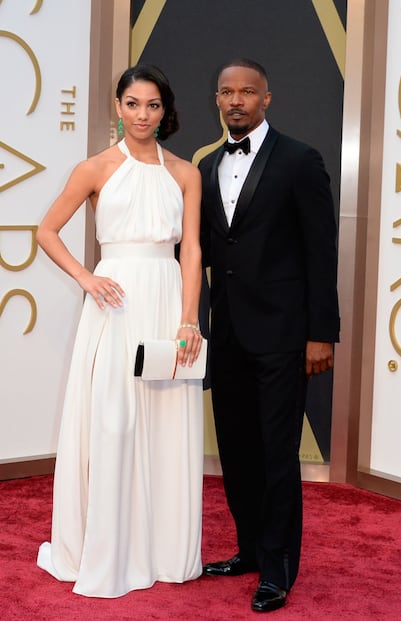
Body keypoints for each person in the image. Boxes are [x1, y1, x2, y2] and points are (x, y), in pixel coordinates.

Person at [36, 64, 204, 598]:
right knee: (114, 419)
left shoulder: (185, 172)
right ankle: (109, 549)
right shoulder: (95, 168)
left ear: (165, 110)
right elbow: (46, 230)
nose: (142, 115)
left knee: (164, 419)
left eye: (152, 105)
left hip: (166, 298)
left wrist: (188, 318)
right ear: (117, 106)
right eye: (132, 104)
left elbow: (192, 250)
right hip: (115, 301)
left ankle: (162, 549)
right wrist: (88, 277)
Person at [199, 58, 340, 613]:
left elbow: (321, 253)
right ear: (217, 100)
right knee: (236, 450)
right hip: (228, 333)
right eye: (227, 92)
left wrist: (321, 333)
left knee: (278, 453)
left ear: (267, 98)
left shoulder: (301, 161)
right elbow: (206, 251)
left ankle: (279, 569)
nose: (237, 100)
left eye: (248, 92)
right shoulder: (207, 165)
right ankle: (250, 550)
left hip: (284, 335)